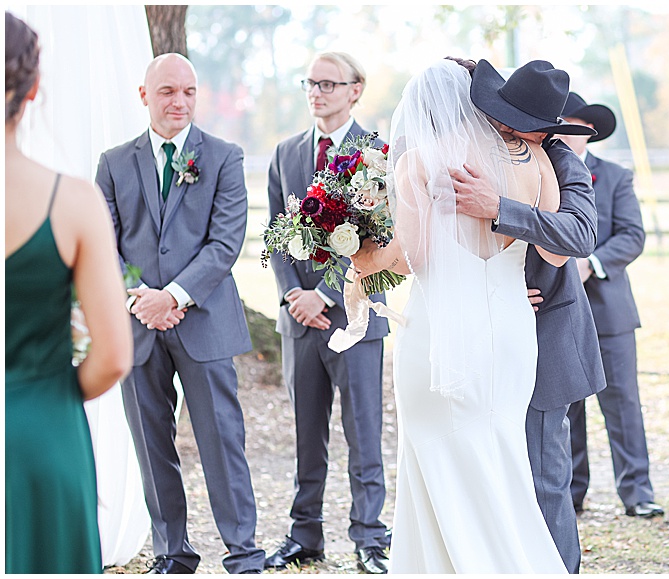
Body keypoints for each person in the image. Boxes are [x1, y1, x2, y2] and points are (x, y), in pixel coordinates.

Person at [351, 58, 595, 573]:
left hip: (440, 334)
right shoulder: (538, 162)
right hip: (510, 328)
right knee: (501, 458)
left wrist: (359, 255)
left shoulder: (418, 161)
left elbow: (416, 258)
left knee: (439, 455)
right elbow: (555, 254)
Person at [95, 52, 266, 574]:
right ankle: (173, 554)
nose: (180, 101)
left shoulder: (224, 156)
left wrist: (171, 296)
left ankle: (243, 553)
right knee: (151, 446)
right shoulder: (114, 162)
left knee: (222, 443)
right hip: (137, 326)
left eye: (189, 91)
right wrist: (139, 299)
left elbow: (224, 243)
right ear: (144, 95)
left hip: (205, 323)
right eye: (168, 91)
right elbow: (105, 242)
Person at [448, 59, 608, 573]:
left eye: (510, 119)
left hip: (546, 340)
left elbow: (581, 235)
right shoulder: (471, 145)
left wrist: (498, 206)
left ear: (541, 129)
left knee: (544, 478)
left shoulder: (564, 163)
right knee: (489, 473)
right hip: (480, 338)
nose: (497, 124)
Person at [5, 11, 133, 574]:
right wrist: (42, 394)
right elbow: (112, 358)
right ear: (34, 88)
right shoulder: (73, 202)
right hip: (43, 437)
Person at [264, 51, 391, 575]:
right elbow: (274, 235)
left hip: (355, 316)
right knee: (305, 429)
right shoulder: (285, 154)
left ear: (356, 89)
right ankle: (304, 535)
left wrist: (329, 295)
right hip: (299, 320)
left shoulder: (378, 154)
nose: (317, 92)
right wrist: (295, 296)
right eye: (310, 83)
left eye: (329, 83)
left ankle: (369, 537)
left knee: (363, 431)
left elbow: (384, 239)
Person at [558, 92, 664, 519]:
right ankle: (571, 493)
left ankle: (637, 491)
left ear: (587, 131)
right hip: (559, 310)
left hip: (610, 312)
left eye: (571, 126)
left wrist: (591, 263)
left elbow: (632, 236)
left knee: (622, 403)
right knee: (568, 407)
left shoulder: (616, 177)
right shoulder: (540, 175)